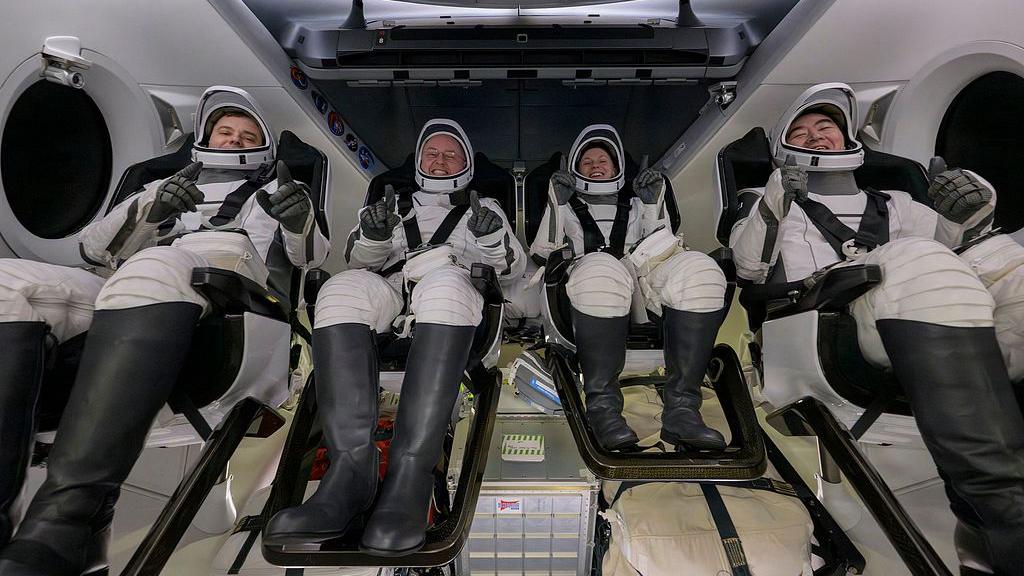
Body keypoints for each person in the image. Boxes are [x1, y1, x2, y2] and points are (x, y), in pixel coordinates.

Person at [0, 85, 327, 575]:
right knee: (8, 282)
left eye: (247, 136)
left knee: (154, 265)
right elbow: (93, 250)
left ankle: (68, 525)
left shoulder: (278, 193)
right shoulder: (158, 185)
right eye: (225, 132)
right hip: (122, 289)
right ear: (204, 139)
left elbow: (309, 260)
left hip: (231, 290)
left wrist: (299, 220)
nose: (235, 141)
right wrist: (152, 209)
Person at [729, 82, 1024, 574]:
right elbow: (749, 268)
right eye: (800, 132)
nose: (815, 135)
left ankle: (993, 507)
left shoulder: (899, 203)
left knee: (1005, 259)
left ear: (847, 140)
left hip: (922, 311)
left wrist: (970, 219)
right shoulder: (763, 201)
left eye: (826, 126)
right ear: (783, 151)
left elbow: (960, 255)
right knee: (915, 257)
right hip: (821, 324)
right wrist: (777, 197)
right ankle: (999, 512)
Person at [263, 119, 525, 556]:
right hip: (392, 288)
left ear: (465, 164)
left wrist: (492, 238)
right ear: (419, 160)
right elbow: (357, 260)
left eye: (451, 154)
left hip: (452, 287)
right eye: (432, 153)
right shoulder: (391, 204)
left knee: (444, 287)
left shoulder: (487, 208)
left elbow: (513, 268)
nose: (440, 161)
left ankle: (410, 477)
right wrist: (374, 235)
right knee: (340, 288)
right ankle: (350, 472)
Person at [530, 125, 727, 452]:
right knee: (604, 268)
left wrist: (653, 204)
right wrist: (556, 203)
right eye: (587, 162)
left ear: (617, 166)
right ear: (575, 169)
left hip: (641, 287)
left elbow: (662, 246)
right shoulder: (565, 206)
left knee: (701, 269)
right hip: (584, 288)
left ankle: (682, 411)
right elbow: (542, 253)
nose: (595, 166)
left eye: (602, 160)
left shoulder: (637, 206)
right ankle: (603, 410)